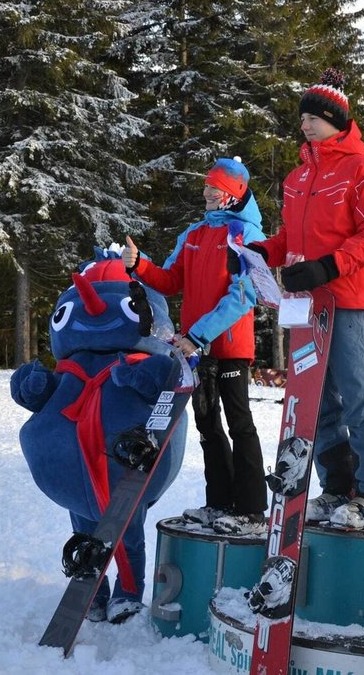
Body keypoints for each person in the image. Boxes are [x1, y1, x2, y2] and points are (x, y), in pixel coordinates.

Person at [245, 68, 364, 531]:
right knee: (316, 400)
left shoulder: (362, 171)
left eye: (315, 117)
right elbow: (291, 235)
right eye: (303, 117)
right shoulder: (296, 177)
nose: (306, 124)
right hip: (304, 302)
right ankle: (336, 486)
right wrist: (260, 251)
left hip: (345, 297)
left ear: (337, 120)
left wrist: (328, 266)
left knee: (356, 393)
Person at [123, 158, 267, 535]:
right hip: (194, 348)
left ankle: (251, 509)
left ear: (231, 193)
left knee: (239, 423)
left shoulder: (244, 234)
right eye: (205, 186)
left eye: (213, 187)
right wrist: (139, 264)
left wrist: (198, 334)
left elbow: (243, 296)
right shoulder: (194, 233)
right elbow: (170, 280)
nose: (205, 192)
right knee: (206, 423)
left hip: (228, 346)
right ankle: (219, 502)